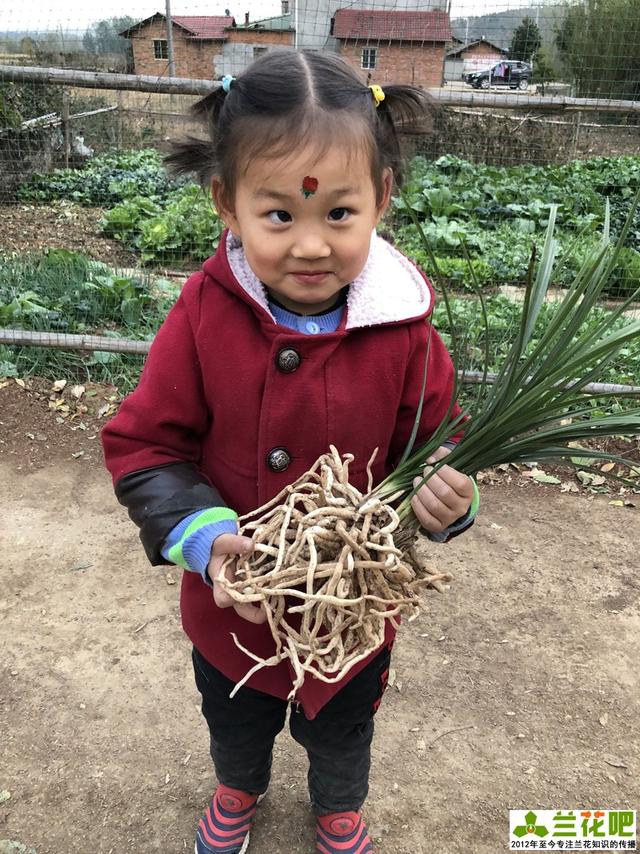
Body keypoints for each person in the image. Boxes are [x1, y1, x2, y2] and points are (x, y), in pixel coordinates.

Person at [102, 50, 479, 854]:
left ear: (379, 199)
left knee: (344, 725)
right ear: (226, 206)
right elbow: (144, 445)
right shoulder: (205, 315)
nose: (311, 245)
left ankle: (338, 805)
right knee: (234, 712)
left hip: (351, 612)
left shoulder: (403, 326)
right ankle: (238, 789)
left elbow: (439, 440)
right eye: (280, 215)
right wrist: (204, 540)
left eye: (338, 214)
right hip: (233, 605)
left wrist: (448, 500)